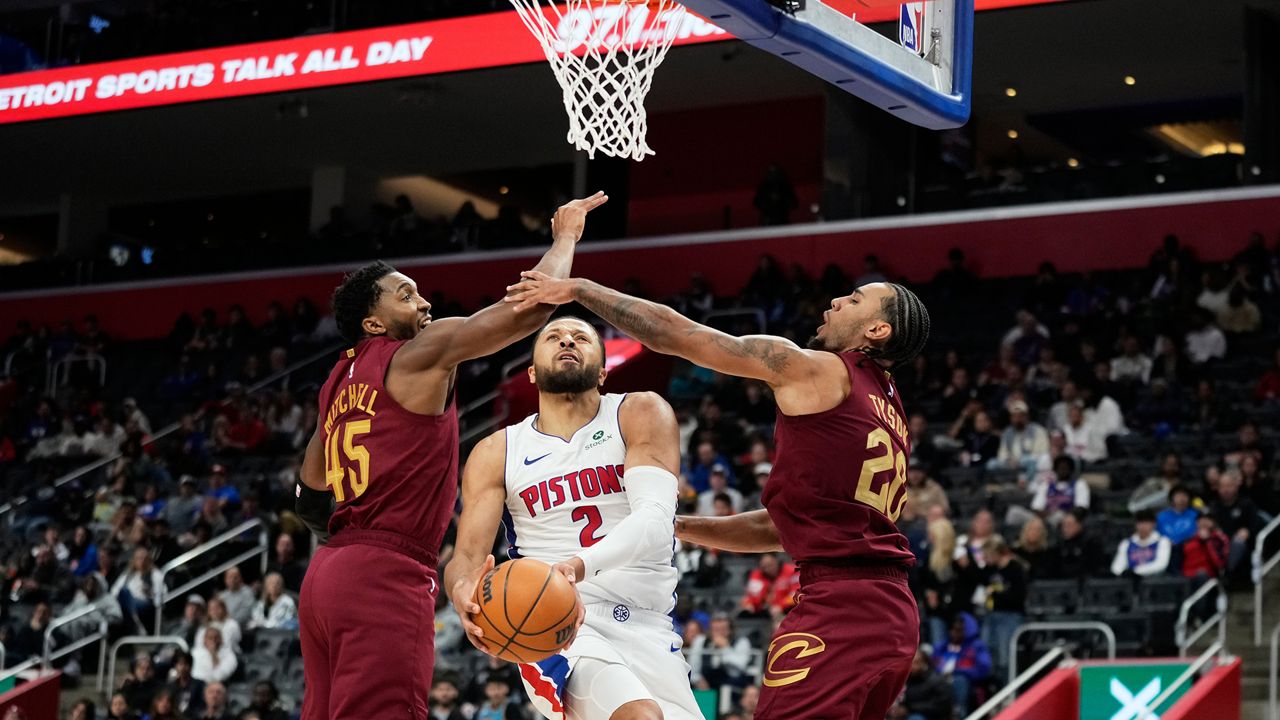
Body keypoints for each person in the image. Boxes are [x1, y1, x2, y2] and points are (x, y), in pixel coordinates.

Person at [506, 273, 931, 719]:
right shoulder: (890, 409)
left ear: (877, 330)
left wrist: (579, 291)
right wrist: (678, 527)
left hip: (842, 606)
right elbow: (781, 527)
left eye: (855, 299)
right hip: (893, 615)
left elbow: (679, 334)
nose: (838, 299)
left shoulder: (820, 370)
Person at [299, 193, 607, 720]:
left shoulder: (336, 381)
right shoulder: (416, 353)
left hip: (325, 578)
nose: (424, 305)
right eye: (406, 296)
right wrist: (566, 238)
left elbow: (308, 496)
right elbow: (529, 310)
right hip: (384, 571)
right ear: (374, 323)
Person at [445, 316, 700, 720]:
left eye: (582, 337)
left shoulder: (640, 412)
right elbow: (467, 558)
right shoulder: (497, 451)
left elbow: (655, 522)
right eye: (554, 336)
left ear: (603, 370)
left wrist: (578, 566)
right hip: (555, 623)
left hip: (650, 625)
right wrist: (461, 589)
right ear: (530, 372)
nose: (567, 339)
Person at [933, 613, 991, 718]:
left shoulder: (976, 647)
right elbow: (932, 666)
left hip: (967, 686)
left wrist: (958, 670)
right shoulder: (940, 647)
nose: (955, 633)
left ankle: (959, 714)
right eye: (953, 629)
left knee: (960, 680)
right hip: (941, 683)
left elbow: (984, 670)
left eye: (959, 630)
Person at [687, 614, 754, 692]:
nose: (718, 633)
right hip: (706, 686)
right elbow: (693, 667)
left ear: (730, 630)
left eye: (722, 629)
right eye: (715, 629)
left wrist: (725, 648)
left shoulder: (742, 642)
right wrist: (697, 680)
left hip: (732, 687)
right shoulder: (701, 641)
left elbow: (738, 670)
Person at [889, 647, 952, 720]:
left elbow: (942, 707)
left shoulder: (937, 681)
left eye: (916, 662)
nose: (912, 666)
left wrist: (909, 709)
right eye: (910, 663)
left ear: (924, 663)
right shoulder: (907, 679)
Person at [1110, 510, 1171, 577]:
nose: (1143, 526)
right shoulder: (1126, 543)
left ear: (1154, 524)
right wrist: (1123, 573)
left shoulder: (1163, 541)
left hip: (1155, 581)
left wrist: (1136, 571)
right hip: (1131, 581)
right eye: (1140, 523)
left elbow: (1161, 564)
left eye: (1146, 523)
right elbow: (1116, 567)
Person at [739, 553, 799, 620]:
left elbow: (796, 594)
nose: (769, 569)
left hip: (789, 608)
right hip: (768, 610)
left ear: (777, 560)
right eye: (765, 567)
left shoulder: (791, 570)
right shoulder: (757, 575)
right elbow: (752, 595)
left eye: (771, 564)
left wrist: (781, 606)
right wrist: (749, 604)